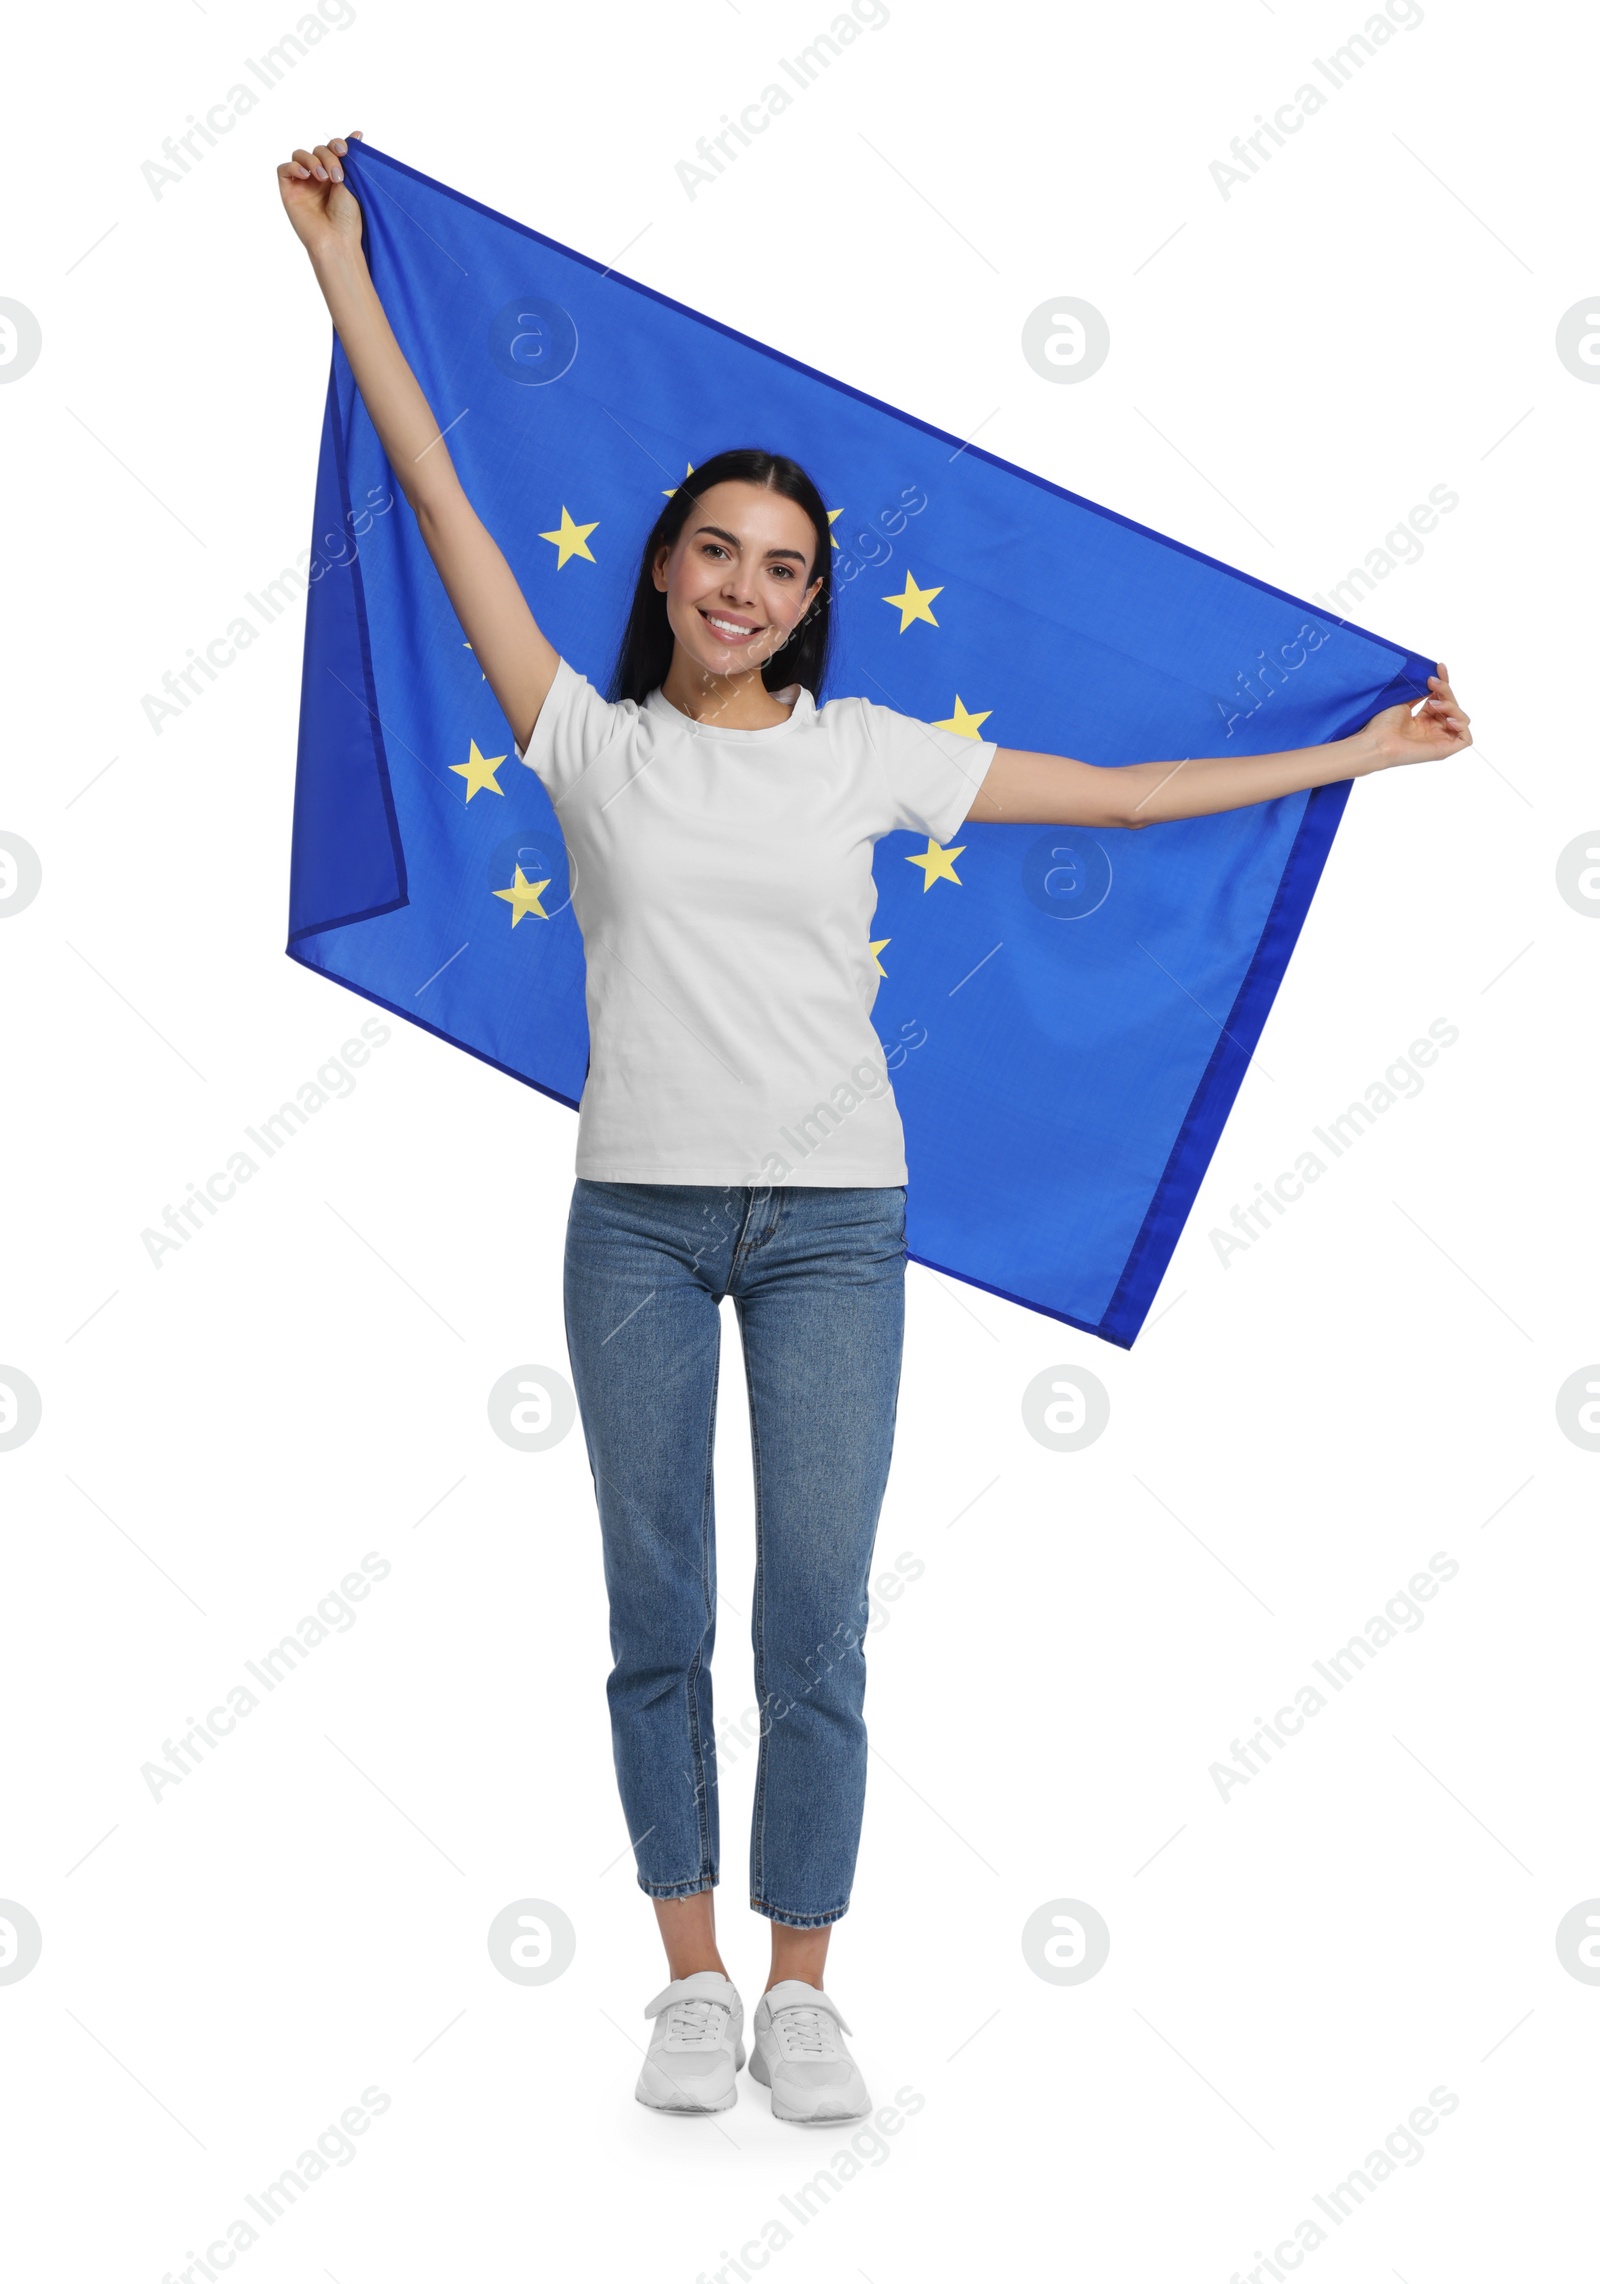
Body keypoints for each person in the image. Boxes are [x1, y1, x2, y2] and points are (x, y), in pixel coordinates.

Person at [279, 131, 1473, 2124]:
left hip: (833, 1214)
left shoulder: (857, 754)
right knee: (654, 1602)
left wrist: (1352, 749)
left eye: (786, 564)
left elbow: (1102, 799)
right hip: (637, 1220)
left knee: (808, 1605)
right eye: (718, 550)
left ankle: (804, 1982)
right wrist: (335, 261)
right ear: (664, 565)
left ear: (810, 598)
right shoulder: (585, 736)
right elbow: (432, 490)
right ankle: (682, 1977)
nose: (748, 586)